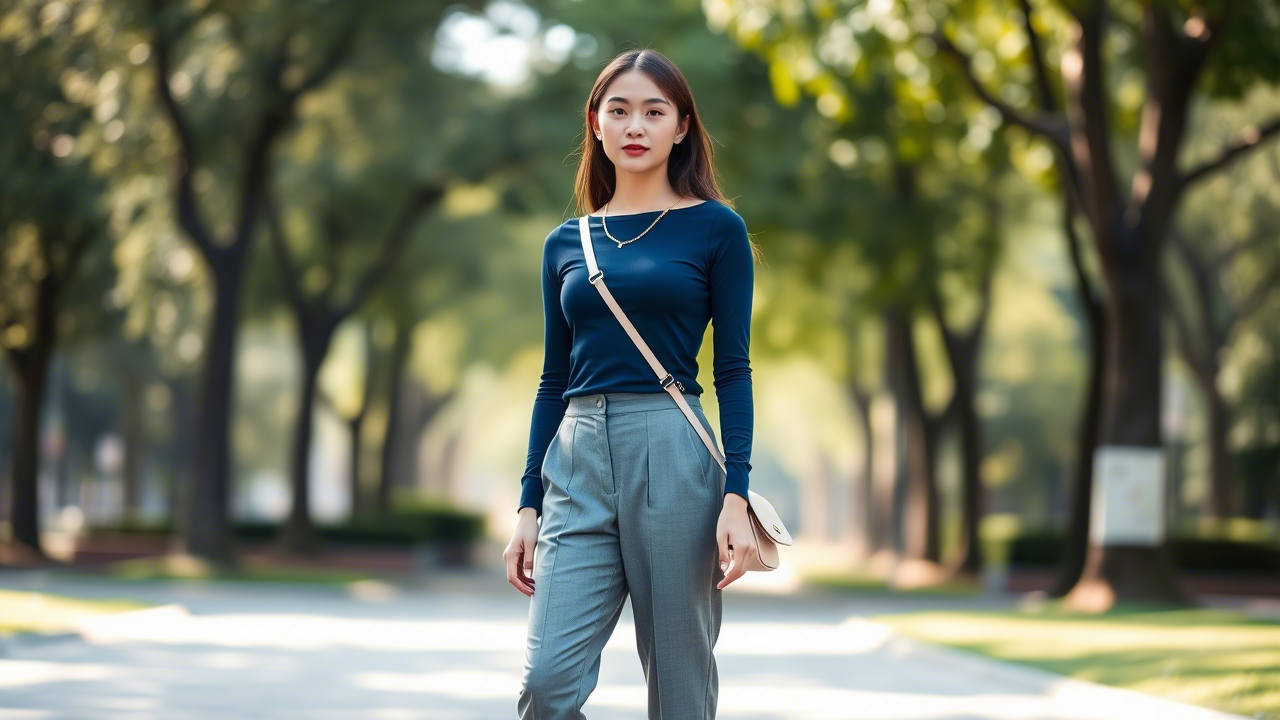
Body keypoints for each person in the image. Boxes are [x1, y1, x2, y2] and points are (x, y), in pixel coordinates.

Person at [504, 46, 762, 720]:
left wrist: (735, 494)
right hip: (577, 456)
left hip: (673, 450)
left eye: (654, 111)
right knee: (547, 684)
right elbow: (552, 377)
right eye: (619, 110)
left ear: (682, 127)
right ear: (596, 123)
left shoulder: (716, 229)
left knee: (679, 687)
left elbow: (732, 370)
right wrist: (528, 502)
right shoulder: (567, 241)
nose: (635, 126)